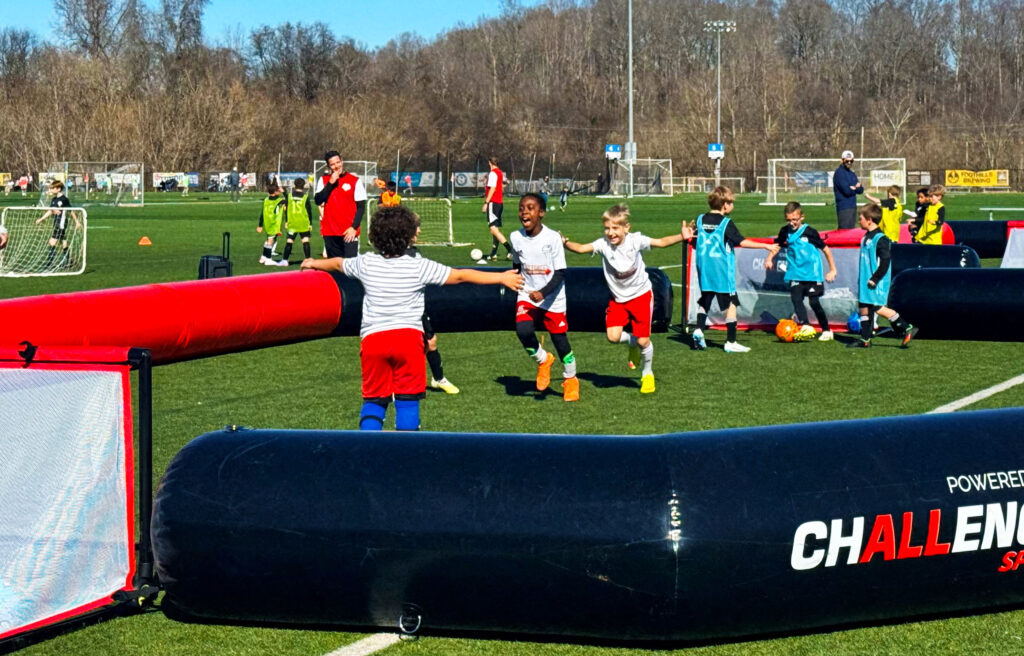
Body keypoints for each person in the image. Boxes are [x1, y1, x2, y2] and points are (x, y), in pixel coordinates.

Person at [300, 204, 522, 431]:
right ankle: (406, 453)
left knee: (374, 400)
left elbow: (337, 263)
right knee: (407, 400)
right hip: (408, 340)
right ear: (408, 237)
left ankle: (368, 449)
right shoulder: (419, 266)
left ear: (375, 237)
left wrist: (314, 263)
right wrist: (501, 278)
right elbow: (461, 276)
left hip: (374, 341)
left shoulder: (366, 263)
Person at [562, 204, 690, 394]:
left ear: (626, 228)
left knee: (644, 341)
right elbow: (581, 248)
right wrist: (565, 243)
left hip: (640, 296)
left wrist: (682, 236)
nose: (610, 233)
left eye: (615, 228)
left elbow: (661, 242)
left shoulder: (635, 241)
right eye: (607, 228)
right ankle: (631, 342)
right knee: (612, 337)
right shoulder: (603, 245)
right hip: (617, 299)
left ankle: (647, 374)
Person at [689, 186, 779, 353]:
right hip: (721, 268)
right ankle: (731, 341)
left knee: (706, 298)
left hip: (704, 268)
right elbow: (742, 242)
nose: (732, 206)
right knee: (732, 302)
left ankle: (699, 330)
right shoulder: (726, 223)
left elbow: (693, 239)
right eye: (731, 203)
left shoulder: (700, 219)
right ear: (724, 205)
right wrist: (766, 246)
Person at [511, 193, 579, 401]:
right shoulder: (515, 237)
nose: (525, 211)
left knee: (559, 340)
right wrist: (514, 282)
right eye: (522, 208)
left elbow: (560, 273)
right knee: (522, 331)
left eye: (530, 208)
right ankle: (543, 360)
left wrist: (542, 293)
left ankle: (570, 379)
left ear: (541, 213)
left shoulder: (552, 239)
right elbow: (517, 265)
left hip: (552, 298)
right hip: (527, 294)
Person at [764, 202, 838, 341]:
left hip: (812, 273)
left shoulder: (810, 232)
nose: (792, 223)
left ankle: (827, 330)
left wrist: (832, 269)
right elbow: (777, 245)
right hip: (795, 273)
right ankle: (806, 325)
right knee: (796, 298)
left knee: (814, 302)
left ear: (801, 217)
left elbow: (826, 249)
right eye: (789, 220)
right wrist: (769, 258)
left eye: (795, 220)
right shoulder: (784, 231)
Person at [850, 203, 917, 348]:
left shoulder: (880, 239)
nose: (858, 220)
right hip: (865, 280)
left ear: (869, 219)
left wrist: (875, 278)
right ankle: (865, 339)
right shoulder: (866, 237)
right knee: (863, 307)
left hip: (876, 281)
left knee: (876, 307)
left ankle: (906, 327)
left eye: (860, 218)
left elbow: (885, 261)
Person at [314, 150, 366, 259]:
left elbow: (361, 207)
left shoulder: (354, 181)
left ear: (342, 162)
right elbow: (318, 200)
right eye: (332, 164)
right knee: (334, 269)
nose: (336, 166)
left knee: (350, 269)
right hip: (330, 232)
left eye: (338, 162)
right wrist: (330, 183)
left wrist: (354, 228)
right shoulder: (323, 180)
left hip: (348, 232)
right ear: (328, 166)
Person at [34, 180, 79, 268]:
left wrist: (76, 221)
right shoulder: (54, 199)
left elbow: (71, 211)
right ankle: (69, 260)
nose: (50, 190)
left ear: (58, 189)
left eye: (52, 188)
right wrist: (41, 219)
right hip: (56, 223)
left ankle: (49, 263)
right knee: (63, 241)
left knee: (52, 242)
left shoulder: (64, 199)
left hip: (61, 224)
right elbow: (51, 210)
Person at [482, 156, 513, 261]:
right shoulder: (500, 172)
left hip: (493, 203)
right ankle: (493, 254)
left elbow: (492, 189)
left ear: (489, 163)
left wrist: (486, 203)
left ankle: (510, 250)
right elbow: (502, 184)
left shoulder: (493, 173)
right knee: (494, 229)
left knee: (493, 229)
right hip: (499, 203)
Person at [280, 177, 314, 265]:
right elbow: (309, 211)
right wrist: (310, 223)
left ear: (294, 185)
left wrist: (286, 221)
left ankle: (285, 260)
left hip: (293, 222)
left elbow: (286, 209)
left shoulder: (290, 196)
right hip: (303, 222)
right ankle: (308, 260)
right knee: (305, 241)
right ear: (304, 186)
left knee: (289, 241)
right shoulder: (305, 197)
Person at [257, 182, 287, 266]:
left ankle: (263, 257)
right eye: (278, 190)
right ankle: (268, 259)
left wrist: (260, 225)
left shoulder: (266, 200)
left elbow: (262, 213)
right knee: (270, 241)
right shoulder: (279, 200)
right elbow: (289, 199)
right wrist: (284, 191)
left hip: (267, 223)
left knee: (268, 239)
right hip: (274, 223)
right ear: (275, 192)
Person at [833, 150, 864, 229]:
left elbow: (860, 190)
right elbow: (846, 191)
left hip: (852, 206)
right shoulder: (839, 173)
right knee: (844, 231)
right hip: (844, 207)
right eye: (847, 161)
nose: (849, 163)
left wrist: (854, 187)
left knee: (851, 232)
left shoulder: (851, 173)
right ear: (842, 160)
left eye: (851, 161)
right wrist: (855, 188)